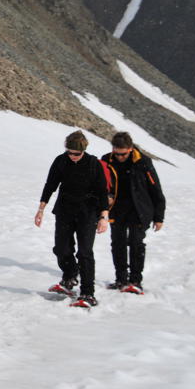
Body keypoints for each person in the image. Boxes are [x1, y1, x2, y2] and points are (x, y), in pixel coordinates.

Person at [35, 130, 109, 306]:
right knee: (61, 248)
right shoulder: (61, 161)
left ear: (83, 150)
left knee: (84, 252)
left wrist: (103, 216)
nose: (73, 156)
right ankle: (69, 277)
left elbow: (101, 191)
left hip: (87, 213)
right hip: (64, 210)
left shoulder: (93, 164)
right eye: (70, 152)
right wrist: (41, 209)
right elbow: (50, 184)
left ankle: (88, 293)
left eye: (76, 153)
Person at [101, 132, 165, 294]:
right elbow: (99, 185)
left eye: (123, 154)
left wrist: (159, 217)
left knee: (136, 244)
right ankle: (121, 279)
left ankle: (135, 280)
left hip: (140, 210)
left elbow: (156, 189)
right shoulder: (106, 160)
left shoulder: (142, 162)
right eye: (117, 153)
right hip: (116, 209)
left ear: (130, 149)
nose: (120, 157)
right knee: (118, 244)